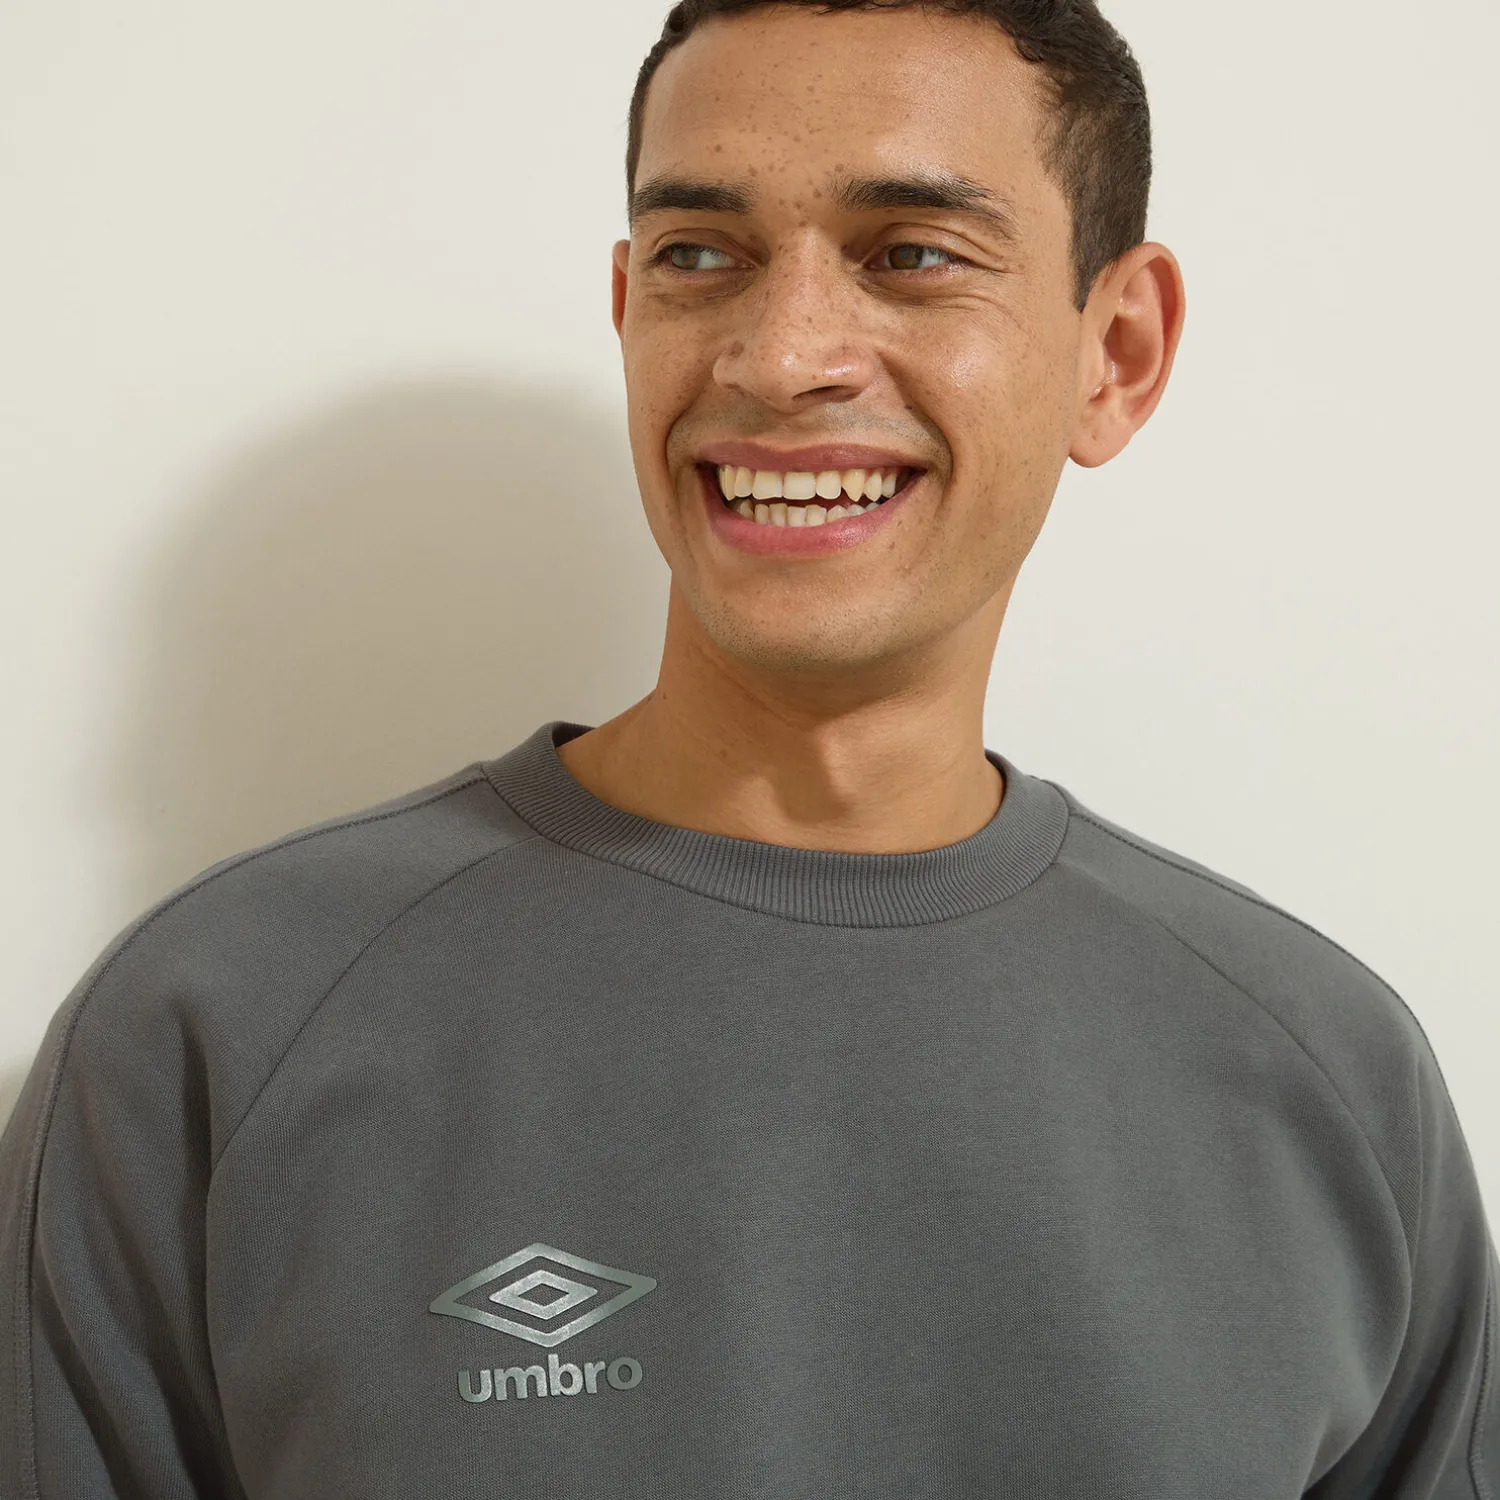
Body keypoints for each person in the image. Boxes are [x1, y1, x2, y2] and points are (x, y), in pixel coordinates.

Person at [2, 0, 1495, 1494]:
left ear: (1116, 351)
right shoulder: (216, 1031)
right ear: (625, 310)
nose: (780, 358)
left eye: (912, 253)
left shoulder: (1330, 1078)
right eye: (700, 256)